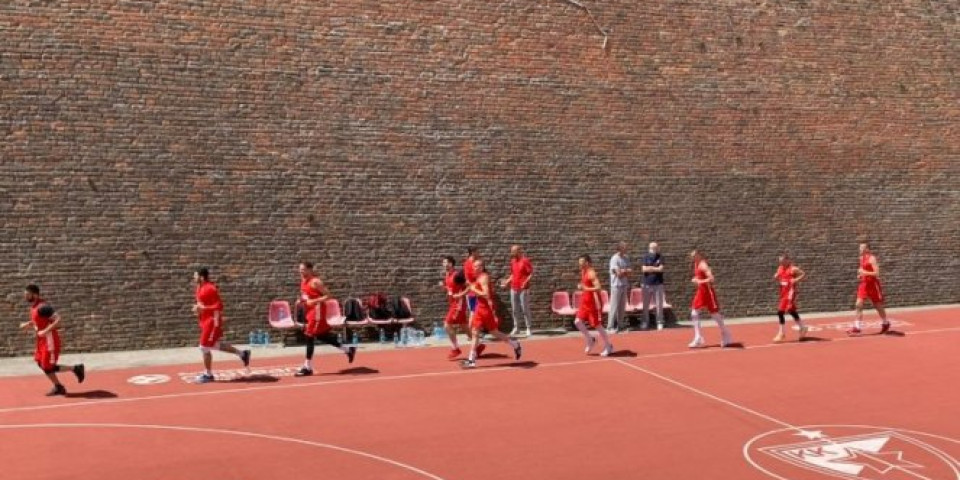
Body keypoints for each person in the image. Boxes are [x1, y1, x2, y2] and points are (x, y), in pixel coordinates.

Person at [18, 284, 85, 396]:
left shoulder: (43, 307)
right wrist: (29, 324)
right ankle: (58, 386)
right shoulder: (34, 307)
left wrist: (45, 331)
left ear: (34, 294)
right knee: (40, 363)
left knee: (48, 366)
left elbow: (58, 320)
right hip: (41, 341)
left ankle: (76, 368)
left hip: (49, 341)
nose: (25, 297)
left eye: (27, 295)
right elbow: (40, 322)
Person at [295, 262, 356, 376]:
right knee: (321, 335)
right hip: (309, 311)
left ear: (310, 270)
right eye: (300, 269)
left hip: (317, 311)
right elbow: (306, 295)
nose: (301, 272)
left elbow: (328, 295)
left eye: (303, 269)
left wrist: (314, 301)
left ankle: (307, 367)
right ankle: (348, 350)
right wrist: (302, 300)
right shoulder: (303, 281)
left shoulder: (316, 282)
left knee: (309, 335)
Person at [192, 268, 251, 384]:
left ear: (202, 277)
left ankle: (208, 375)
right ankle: (243, 354)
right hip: (205, 321)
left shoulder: (210, 288)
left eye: (195, 276)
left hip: (213, 322)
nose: (193, 278)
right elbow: (201, 304)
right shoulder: (199, 288)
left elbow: (219, 306)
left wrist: (204, 308)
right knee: (213, 345)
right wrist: (197, 309)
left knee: (203, 347)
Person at [461, 259, 522, 369]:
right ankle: (471, 360)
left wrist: (474, 289)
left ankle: (515, 344)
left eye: (478, 266)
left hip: (485, 310)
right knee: (475, 332)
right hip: (479, 308)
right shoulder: (478, 278)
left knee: (494, 332)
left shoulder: (484, 277)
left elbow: (486, 294)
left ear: (482, 267)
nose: (475, 268)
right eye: (474, 266)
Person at [688, 250, 734, 348]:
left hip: (708, 293)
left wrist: (699, 281)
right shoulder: (696, 264)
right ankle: (698, 337)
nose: (692, 258)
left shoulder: (703, 265)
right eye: (691, 256)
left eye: (694, 256)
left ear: (699, 255)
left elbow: (711, 278)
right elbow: (699, 276)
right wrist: (697, 279)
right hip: (701, 292)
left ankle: (726, 334)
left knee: (715, 315)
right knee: (694, 312)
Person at [439, 256, 480, 359]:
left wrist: (461, 295)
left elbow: (469, 286)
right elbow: (451, 290)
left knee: (447, 324)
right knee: (464, 326)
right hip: (453, 304)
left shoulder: (457, 275)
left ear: (451, 264)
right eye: (443, 263)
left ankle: (455, 348)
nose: (444, 265)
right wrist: (443, 287)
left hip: (458, 304)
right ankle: (478, 346)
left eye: (446, 263)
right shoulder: (447, 275)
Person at [574, 255, 614, 356]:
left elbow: (598, 287)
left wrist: (585, 288)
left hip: (594, 303)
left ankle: (608, 346)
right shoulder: (583, 271)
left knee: (597, 325)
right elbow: (586, 285)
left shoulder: (591, 273)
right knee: (577, 321)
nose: (579, 264)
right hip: (585, 302)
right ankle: (590, 339)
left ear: (587, 263)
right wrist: (581, 286)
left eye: (581, 262)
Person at [849, 243, 890, 335]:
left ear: (867, 249)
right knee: (858, 304)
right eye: (859, 248)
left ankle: (885, 322)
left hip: (872, 284)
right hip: (864, 284)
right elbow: (862, 269)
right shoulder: (861, 258)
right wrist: (860, 275)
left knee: (877, 305)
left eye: (862, 248)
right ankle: (857, 327)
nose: (860, 249)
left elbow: (877, 273)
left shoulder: (872, 258)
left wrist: (865, 272)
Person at [499, 245, 534, 336]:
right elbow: (512, 274)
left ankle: (528, 327)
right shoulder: (513, 261)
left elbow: (530, 274)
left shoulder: (525, 261)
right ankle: (516, 327)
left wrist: (525, 282)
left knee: (525, 308)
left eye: (513, 251)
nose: (512, 253)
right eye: (511, 251)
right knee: (514, 309)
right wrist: (506, 282)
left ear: (519, 251)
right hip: (513, 288)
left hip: (523, 289)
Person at [773, 254, 808, 342]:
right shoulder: (780, 268)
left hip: (790, 293)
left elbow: (804, 274)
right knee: (791, 311)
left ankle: (781, 333)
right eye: (780, 261)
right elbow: (778, 275)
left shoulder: (793, 269)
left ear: (787, 260)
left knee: (780, 312)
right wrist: (776, 276)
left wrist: (796, 280)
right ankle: (802, 327)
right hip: (783, 293)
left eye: (783, 261)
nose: (781, 263)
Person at [607, 242, 632, 333]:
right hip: (616, 285)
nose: (626, 249)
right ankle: (610, 326)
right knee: (614, 306)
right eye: (625, 247)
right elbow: (618, 274)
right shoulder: (614, 258)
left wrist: (623, 271)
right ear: (620, 248)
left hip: (624, 285)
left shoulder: (626, 258)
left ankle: (620, 325)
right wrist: (624, 271)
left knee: (622, 306)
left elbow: (630, 271)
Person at [641, 242, 667, 331]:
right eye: (652, 248)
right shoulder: (645, 257)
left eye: (655, 248)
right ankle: (645, 322)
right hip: (646, 284)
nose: (654, 249)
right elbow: (644, 269)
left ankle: (659, 322)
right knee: (645, 305)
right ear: (649, 248)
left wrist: (650, 268)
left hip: (658, 283)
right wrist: (655, 268)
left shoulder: (661, 257)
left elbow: (661, 269)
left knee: (659, 304)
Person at [463, 247, 480, 319]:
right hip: (471, 291)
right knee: (473, 310)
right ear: (472, 253)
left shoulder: (478, 262)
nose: (478, 254)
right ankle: (472, 328)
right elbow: (467, 279)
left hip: (479, 290)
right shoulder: (467, 264)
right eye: (477, 252)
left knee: (479, 310)